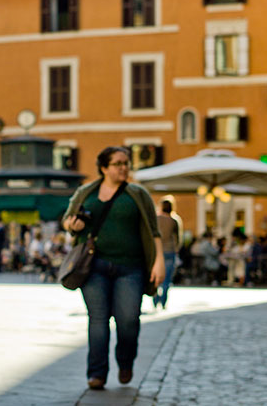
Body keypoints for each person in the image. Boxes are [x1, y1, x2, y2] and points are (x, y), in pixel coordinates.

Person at [62, 146, 165, 391]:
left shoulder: (138, 194)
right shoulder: (86, 192)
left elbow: (154, 231)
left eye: (126, 163)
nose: (124, 167)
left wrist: (159, 260)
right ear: (104, 168)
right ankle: (96, 374)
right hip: (94, 266)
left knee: (128, 320)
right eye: (118, 163)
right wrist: (73, 225)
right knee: (97, 320)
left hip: (131, 267)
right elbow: (67, 219)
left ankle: (125, 361)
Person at [152, 198, 180, 309]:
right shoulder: (174, 221)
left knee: (155, 277)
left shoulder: (156, 219)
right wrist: (176, 248)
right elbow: (177, 238)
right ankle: (163, 301)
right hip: (170, 251)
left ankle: (155, 299)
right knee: (166, 279)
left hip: (156, 251)